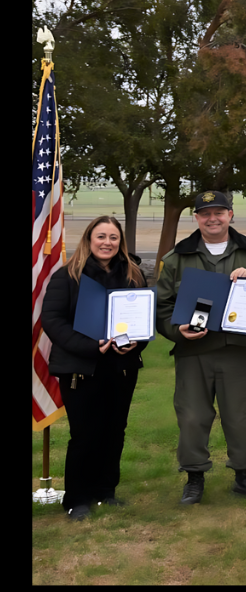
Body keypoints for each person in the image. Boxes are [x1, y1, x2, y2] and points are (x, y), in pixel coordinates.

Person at [156, 190, 246, 504]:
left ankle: (244, 475)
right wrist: (177, 330)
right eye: (205, 213)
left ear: (231, 214)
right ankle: (194, 478)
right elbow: (161, 307)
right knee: (192, 417)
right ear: (196, 218)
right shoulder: (175, 259)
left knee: (240, 416)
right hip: (193, 352)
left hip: (237, 349)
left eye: (219, 212)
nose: (212, 218)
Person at [41, 216, 147, 521]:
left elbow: (143, 320)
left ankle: (105, 491)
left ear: (120, 242)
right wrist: (90, 346)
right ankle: (77, 498)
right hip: (79, 368)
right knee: (85, 434)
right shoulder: (67, 276)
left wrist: (135, 344)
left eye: (113, 238)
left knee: (114, 431)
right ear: (89, 239)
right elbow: (53, 321)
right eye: (101, 236)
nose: (107, 243)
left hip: (121, 367)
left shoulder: (133, 275)